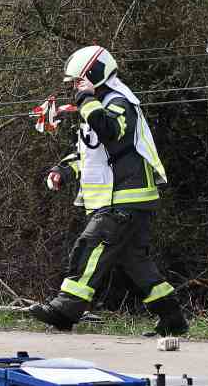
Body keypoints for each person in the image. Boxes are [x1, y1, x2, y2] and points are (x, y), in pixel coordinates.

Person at [28, 47, 187, 336]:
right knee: (135, 263)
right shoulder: (96, 106)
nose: (75, 88)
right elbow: (88, 153)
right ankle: (172, 318)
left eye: (78, 81)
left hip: (126, 198)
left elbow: (109, 130)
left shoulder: (118, 102)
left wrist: (87, 99)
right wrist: (62, 171)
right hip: (116, 199)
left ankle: (65, 309)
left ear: (93, 74)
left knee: (89, 248)